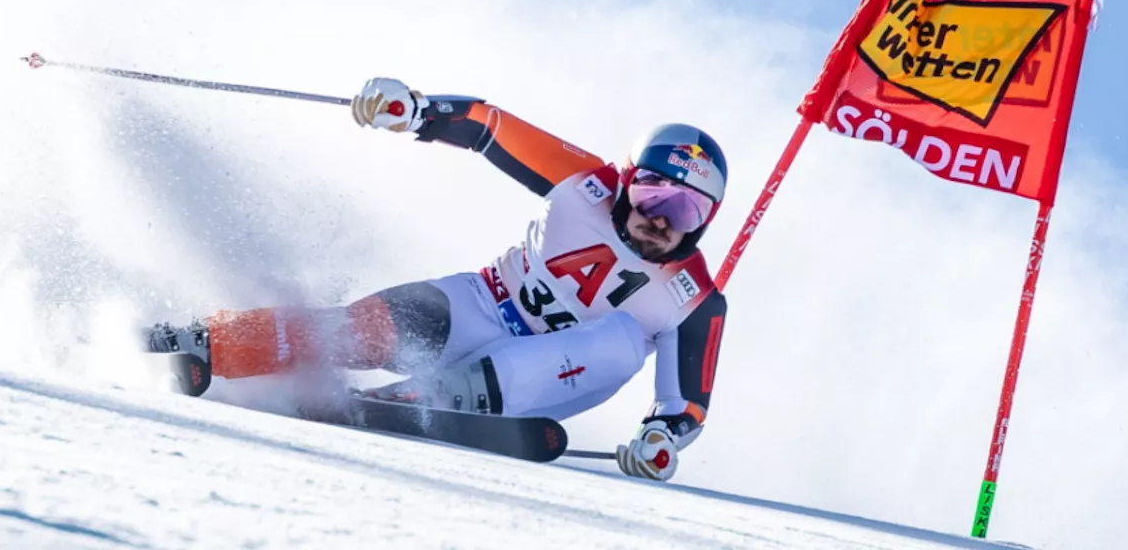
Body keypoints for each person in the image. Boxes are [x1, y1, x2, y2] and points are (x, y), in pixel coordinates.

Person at [145, 77, 731, 482]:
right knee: (359, 329)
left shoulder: (694, 297)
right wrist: (417, 111)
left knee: (624, 340)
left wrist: (661, 440)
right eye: (655, 190)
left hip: (553, 372)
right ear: (629, 179)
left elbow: (687, 408)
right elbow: (489, 125)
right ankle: (202, 342)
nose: (661, 219)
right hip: (482, 305)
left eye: (686, 210)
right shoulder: (585, 183)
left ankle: (421, 402)